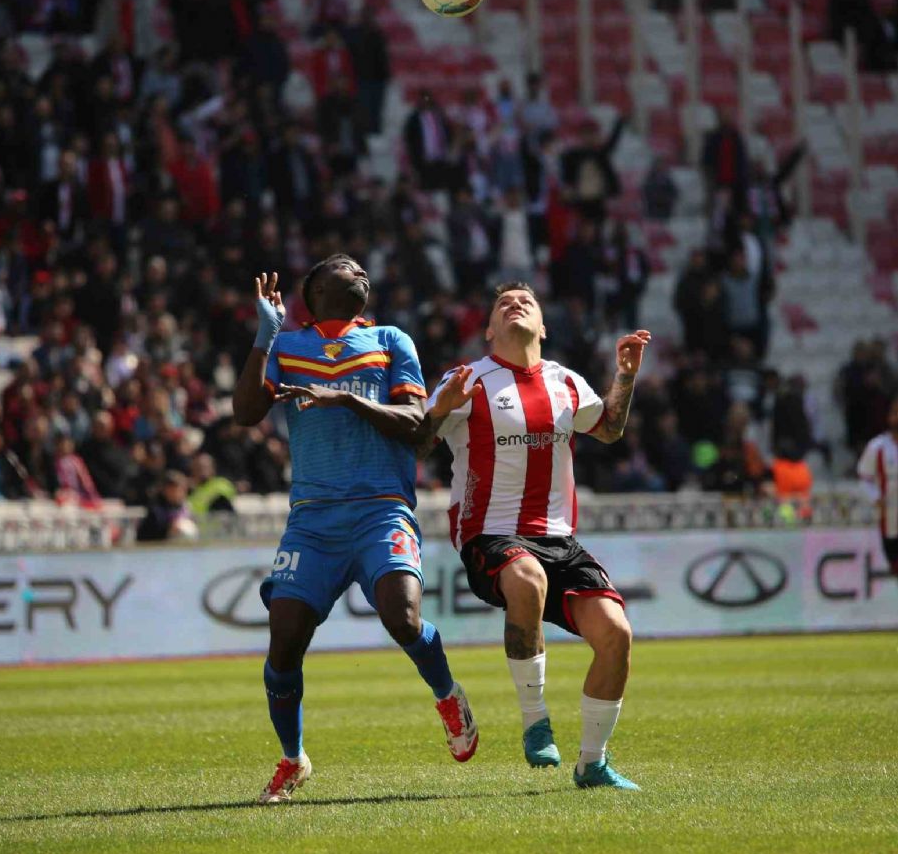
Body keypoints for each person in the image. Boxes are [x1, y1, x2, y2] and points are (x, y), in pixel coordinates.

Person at [232, 255, 478, 806]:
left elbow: (417, 424)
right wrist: (263, 337)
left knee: (403, 615)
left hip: (381, 508)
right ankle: (293, 759)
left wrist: (346, 397)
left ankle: (447, 695)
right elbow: (246, 411)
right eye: (346, 267)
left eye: (364, 269)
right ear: (315, 289)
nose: (361, 272)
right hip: (314, 518)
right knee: (284, 639)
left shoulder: (391, 339)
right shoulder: (288, 346)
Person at [416, 281, 650, 790]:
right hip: (489, 533)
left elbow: (607, 429)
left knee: (616, 634)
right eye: (502, 303)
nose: (514, 304)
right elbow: (413, 449)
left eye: (526, 301)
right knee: (526, 578)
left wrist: (625, 377)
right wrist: (437, 411)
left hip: (560, 539)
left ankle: (593, 763)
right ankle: (535, 719)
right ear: (489, 330)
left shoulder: (565, 382)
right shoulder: (467, 381)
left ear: (542, 327)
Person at [857, 395, 898, 578]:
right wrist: (876, 498)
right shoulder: (877, 447)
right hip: (890, 519)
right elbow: (864, 478)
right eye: (896, 413)